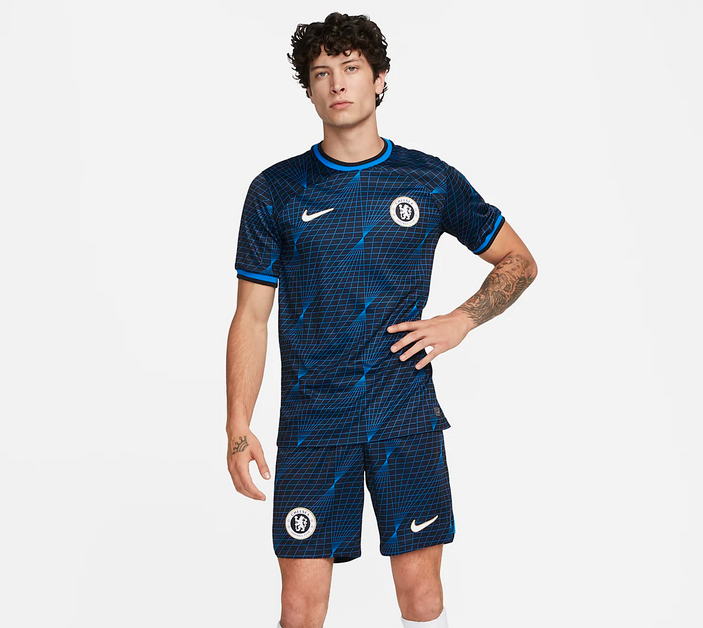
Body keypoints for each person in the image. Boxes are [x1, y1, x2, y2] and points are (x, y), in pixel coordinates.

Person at [226, 12, 538, 628]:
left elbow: (519, 262)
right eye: (322, 73)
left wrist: (460, 321)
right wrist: (238, 424)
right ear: (310, 90)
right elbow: (251, 317)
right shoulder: (276, 191)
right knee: (300, 608)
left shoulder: (429, 180)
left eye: (350, 68)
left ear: (380, 79)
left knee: (422, 600)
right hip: (314, 421)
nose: (337, 83)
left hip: (404, 414)